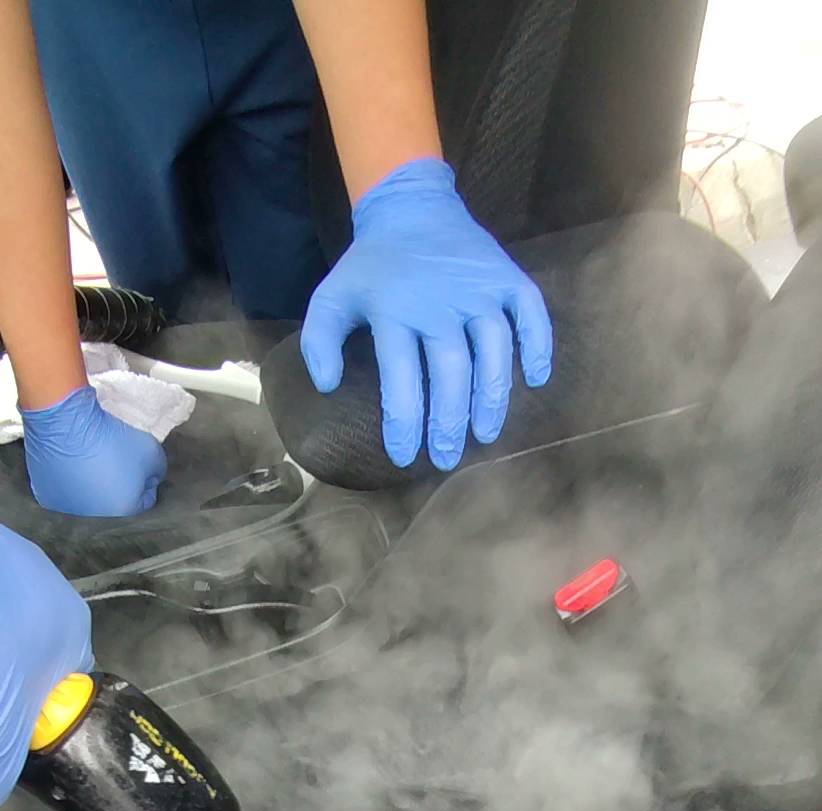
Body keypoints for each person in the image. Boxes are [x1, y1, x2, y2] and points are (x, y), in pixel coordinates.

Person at [2, 0, 553, 512]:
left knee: (316, 326)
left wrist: (403, 188)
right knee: (173, 319)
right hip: (88, 29)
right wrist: (57, 403)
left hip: (299, 22)